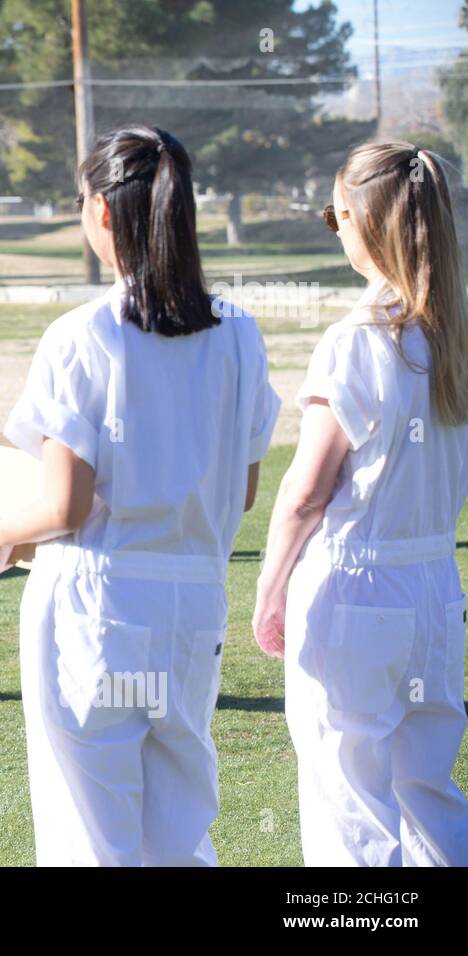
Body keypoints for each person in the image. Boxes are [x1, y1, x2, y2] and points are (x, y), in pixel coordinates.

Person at [0, 126, 279, 865]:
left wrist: (0, 532)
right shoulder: (240, 333)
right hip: (193, 606)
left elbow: (66, 507)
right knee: (178, 830)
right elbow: (241, 490)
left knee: (91, 835)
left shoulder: (83, 336)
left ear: (102, 211)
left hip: (97, 608)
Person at [252, 142, 468, 866]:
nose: (333, 229)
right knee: (426, 788)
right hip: (436, 590)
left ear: (359, 219)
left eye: (334, 215)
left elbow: (307, 492)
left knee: (351, 800)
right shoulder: (454, 342)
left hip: (357, 587)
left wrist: (269, 585)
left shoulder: (357, 342)